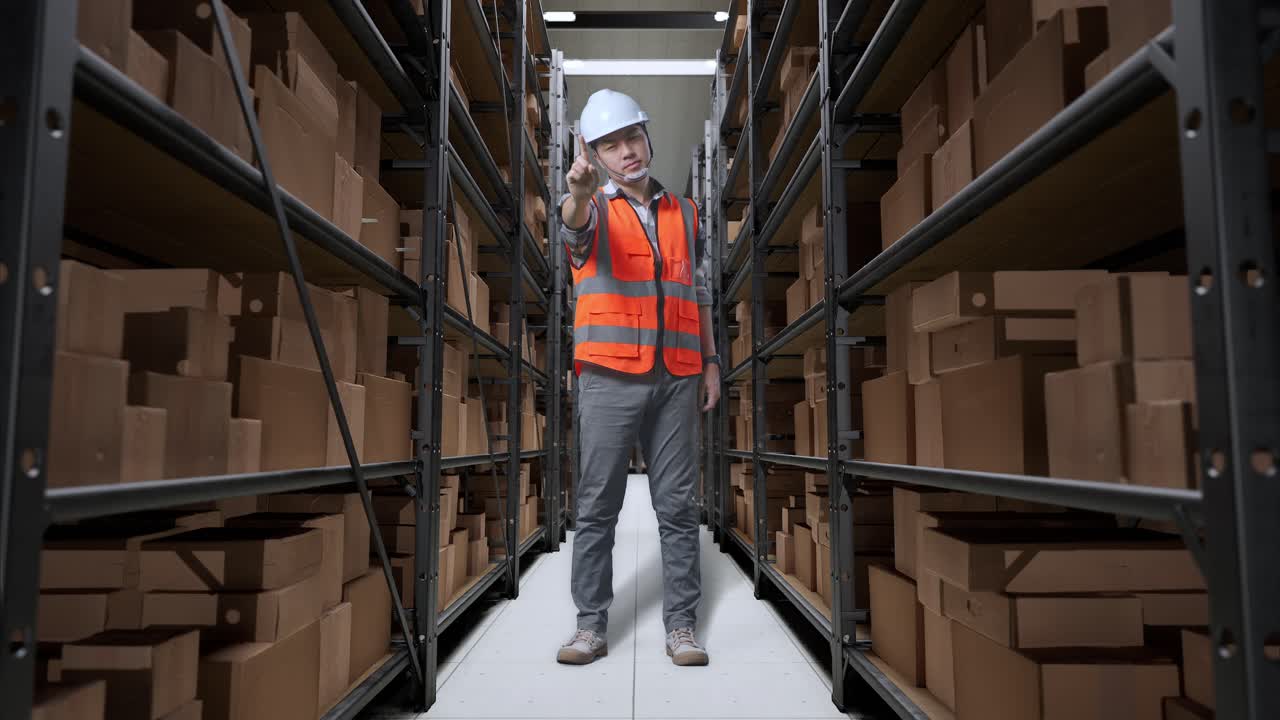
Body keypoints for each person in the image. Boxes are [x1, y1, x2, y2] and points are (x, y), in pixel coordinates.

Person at [555, 89, 721, 667]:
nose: (625, 151)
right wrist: (576, 196)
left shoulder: (686, 213)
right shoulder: (592, 206)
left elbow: (697, 292)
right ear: (596, 158)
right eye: (609, 145)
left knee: (678, 506)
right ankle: (590, 627)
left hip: (677, 375)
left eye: (632, 138)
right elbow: (575, 233)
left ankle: (681, 626)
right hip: (609, 377)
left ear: (647, 137)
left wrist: (710, 362)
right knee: (598, 506)